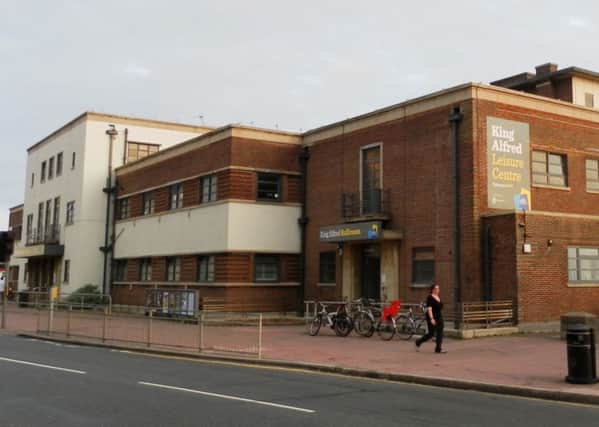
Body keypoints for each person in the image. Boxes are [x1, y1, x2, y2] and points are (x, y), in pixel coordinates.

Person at [415, 283, 446, 353]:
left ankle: (438, 349)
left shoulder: (438, 296)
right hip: (431, 317)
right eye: (436, 289)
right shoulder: (430, 297)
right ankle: (418, 342)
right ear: (433, 290)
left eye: (438, 288)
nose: (438, 290)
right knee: (431, 334)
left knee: (440, 332)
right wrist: (432, 319)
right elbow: (429, 308)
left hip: (439, 316)